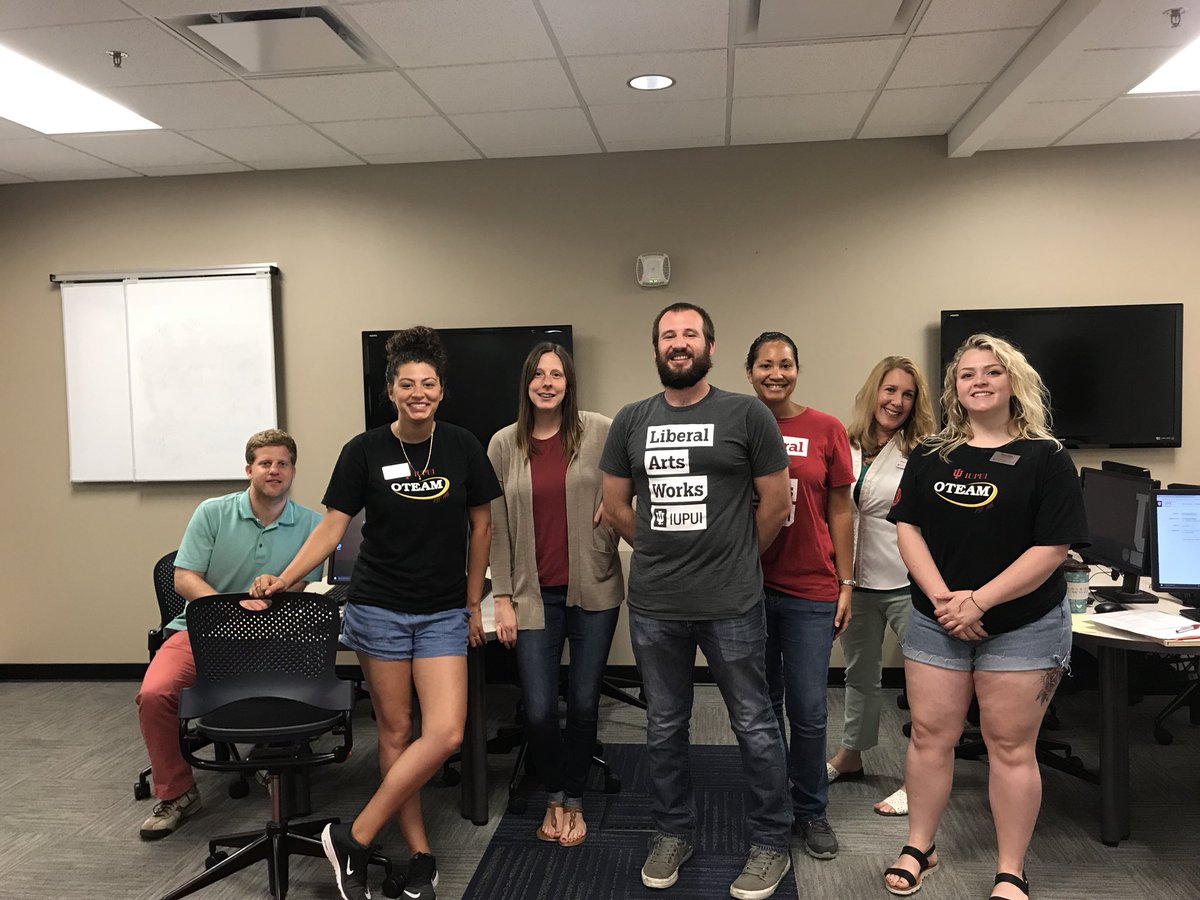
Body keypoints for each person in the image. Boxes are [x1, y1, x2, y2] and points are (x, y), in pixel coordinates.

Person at [250, 326, 501, 900]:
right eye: (407, 383)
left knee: (445, 733)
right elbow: (333, 526)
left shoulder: (462, 445)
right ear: (391, 390)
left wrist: (470, 604)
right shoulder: (363, 451)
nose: (419, 392)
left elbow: (482, 525)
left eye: (429, 383)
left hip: (441, 612)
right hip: (379, 607)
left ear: (442, 390)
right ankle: (418, 854)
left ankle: (355, 834)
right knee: (395, 730)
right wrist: (285, 580)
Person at [882, 334, 1087, 900]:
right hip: (936, 619)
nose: (979, 380)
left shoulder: (1047, 457)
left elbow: (1053, 547)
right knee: (929, 736)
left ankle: (1011, 869)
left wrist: (979, 601)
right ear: (955, 387)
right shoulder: (930, 453)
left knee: (1011, 747)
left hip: (1023, 625)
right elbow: (908, 527)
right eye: (967, 373)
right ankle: (920, 845)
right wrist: (948, 600)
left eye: (991, 372)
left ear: (1012, 382)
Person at [601, 302, 794, 900]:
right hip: (657, 603)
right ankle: (672, 831)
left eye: (690, 334)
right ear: (656, 348)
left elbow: (777, 506)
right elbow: (615, 507)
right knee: (663, 726)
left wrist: (733, 557)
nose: (679, 343)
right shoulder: (631, 420)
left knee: (755, 725)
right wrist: (658, 548)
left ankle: (771, 842)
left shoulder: (746, 413)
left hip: (733, 601)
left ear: (709, 346)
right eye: (668, 335)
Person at [135, 428, 323, 840]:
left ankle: (271, 760)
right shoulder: (212, 512)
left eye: (283, 463)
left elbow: (313, 587)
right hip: (202, 630)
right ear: (248, 469)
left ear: (293, 470)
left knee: (296, 690)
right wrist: (225, 609)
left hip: (274, 634)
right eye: (265, 463)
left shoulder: (314, 524)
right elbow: (183, 577)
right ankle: (178, 792)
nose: (274, 470)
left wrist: (283, 584)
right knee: (155, 693)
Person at [487, 343, 624, 848]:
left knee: (585, 704)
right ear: (527, 383)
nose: (548, 382)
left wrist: (615, 509)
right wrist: (501, 596)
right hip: (530, 595)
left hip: (595, 588)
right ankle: (553, 795)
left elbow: (642, 476)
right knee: (541, 709)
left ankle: (575, 802)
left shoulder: (600, 430)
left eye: (557, 374)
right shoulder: (504, 443)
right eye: (539, 374)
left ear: (569, 382)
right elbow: (496, 526)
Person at [744, 331, 854, 861]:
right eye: (765, 365)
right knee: (761, 708)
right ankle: (770, 807)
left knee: (809, 711)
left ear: (797, 370)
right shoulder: (735, 425)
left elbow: (840, 511)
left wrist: (846, 582)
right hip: (747, 590)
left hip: (811, 589)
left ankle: (811, 810)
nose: (776, 374)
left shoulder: (825, 428)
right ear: (749, 372)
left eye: (785, 364)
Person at [826, 356, 933, 817]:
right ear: (874, 392)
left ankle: (919, 779)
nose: (897, 401)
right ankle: (851, 754)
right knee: (861, 676)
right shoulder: (843, 444)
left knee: (926, 682)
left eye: (908, 394)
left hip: (908, 581)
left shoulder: (924, 451)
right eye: (890, 390)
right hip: (855, 580)